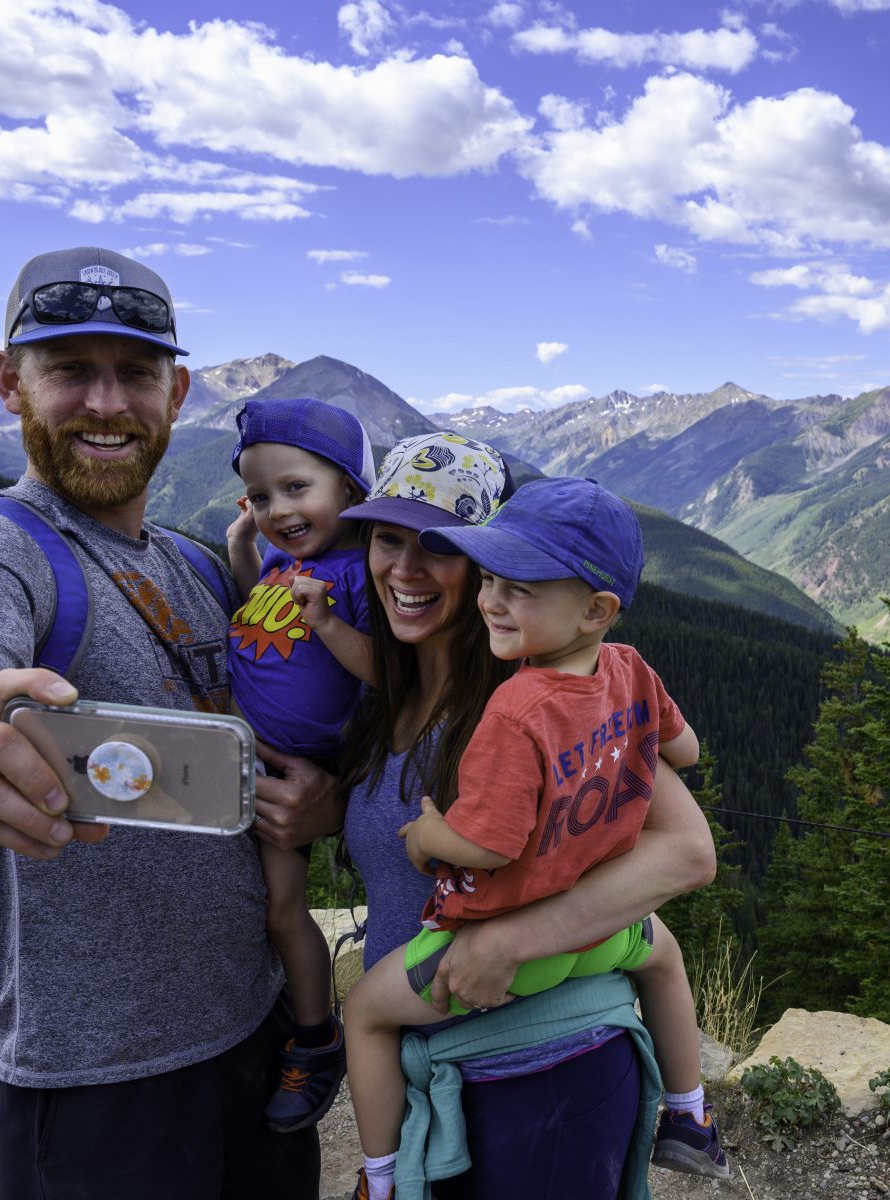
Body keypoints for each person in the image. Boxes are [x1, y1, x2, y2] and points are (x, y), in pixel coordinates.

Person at [0, 246, 336, 1199]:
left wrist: (312, 803)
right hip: (89, 1082)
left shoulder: (201, 568)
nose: (108, 403)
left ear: (178, 391)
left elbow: (263, 741)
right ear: (10, 384)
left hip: (253, 1035)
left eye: (136, 373)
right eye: (71, 369)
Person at [309, 433, 718, 1199]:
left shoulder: (542, 702)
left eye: (440, 547)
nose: (405, 568)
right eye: (387, 539)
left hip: (546, 1069)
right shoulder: (386, 690)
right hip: (449, 1072)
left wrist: (513, 938)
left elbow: (688, 851)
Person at [224, 396, 380, 1131]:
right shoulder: (289, 557)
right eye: (261, 495)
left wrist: (327, 620)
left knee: (286, 909)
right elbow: (265, 607)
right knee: (270, 910)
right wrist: (244, 556)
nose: (277, 508)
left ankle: (317, 1040)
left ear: (350, 489)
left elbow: (388, 672)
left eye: (296, 489)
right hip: (247, 762)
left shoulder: (354, 573)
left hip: (303, 774)